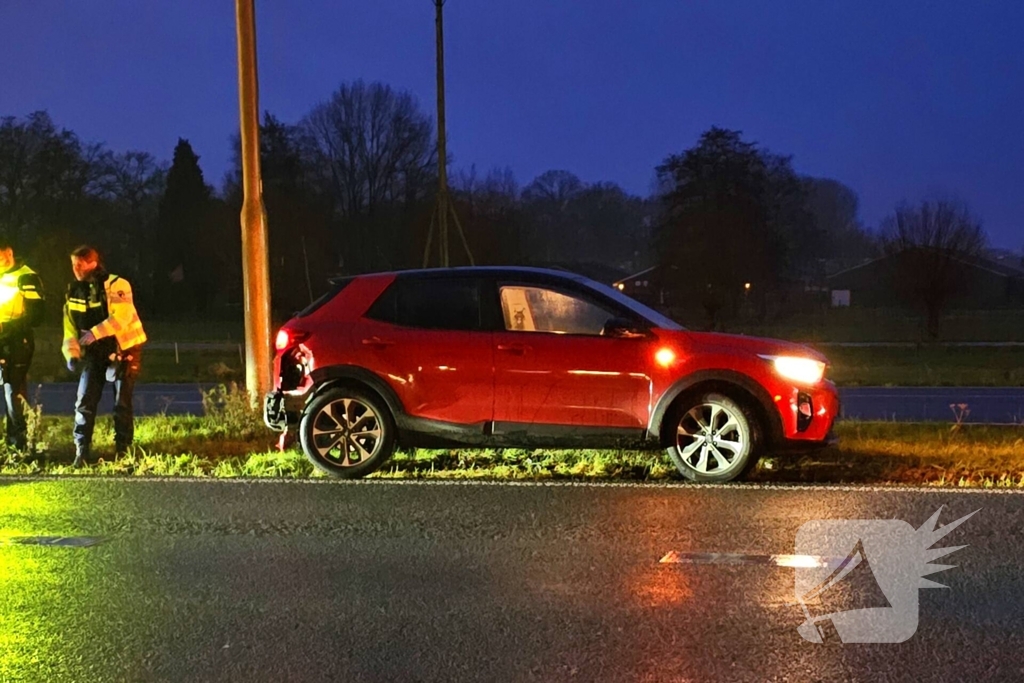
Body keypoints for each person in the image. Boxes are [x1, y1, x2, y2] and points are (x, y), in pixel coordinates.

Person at [63, 246, 147, 467]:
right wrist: (71, 353)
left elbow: (123, 317)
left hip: (124, 348)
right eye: (73, 264)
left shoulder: (117, 284)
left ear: (93, 263)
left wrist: (94, 333)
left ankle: (123, 451)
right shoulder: (74, 290)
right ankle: (81, 452)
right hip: (95, 352)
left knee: (122, 402)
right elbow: (69, 327)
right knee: (85, 400)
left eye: (79, 265)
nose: (75, 269)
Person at [0, 239, 45, 451]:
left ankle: (17, 444)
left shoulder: (26, 277)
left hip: (17, 341)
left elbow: (36, 316)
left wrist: (8, 327)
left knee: (13, 391)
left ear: (9, 252)